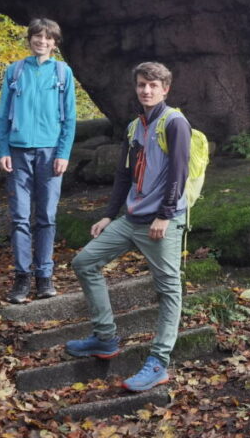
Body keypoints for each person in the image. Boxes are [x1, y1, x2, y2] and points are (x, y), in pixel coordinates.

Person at [65, 61, 190, 393]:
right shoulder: (135, 127)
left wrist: (165, 214)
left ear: (166, 88)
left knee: (168, 290)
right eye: (141, 85)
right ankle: (106, 338)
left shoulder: (174, 123)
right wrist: (108, 214)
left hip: (162, 222)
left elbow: (179, 172)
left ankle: (158, 363)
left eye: (153, 85)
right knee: (85, 262)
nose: (146, 90)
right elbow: (123, 175)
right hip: (131, 219)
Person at [0, 18, 76, 304]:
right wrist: (2, 149)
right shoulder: (14, 71)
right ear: (30, 39)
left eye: (47, 37)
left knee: (46, 217)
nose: (42, 41)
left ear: (55, 42)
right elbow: (3, 114)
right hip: (17, 153)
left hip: (50, 153)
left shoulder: (63, 72)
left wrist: (63, 153)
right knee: (19, 217)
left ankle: (44, 276)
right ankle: (21, 278)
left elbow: (69, 118)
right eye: (37, 37)